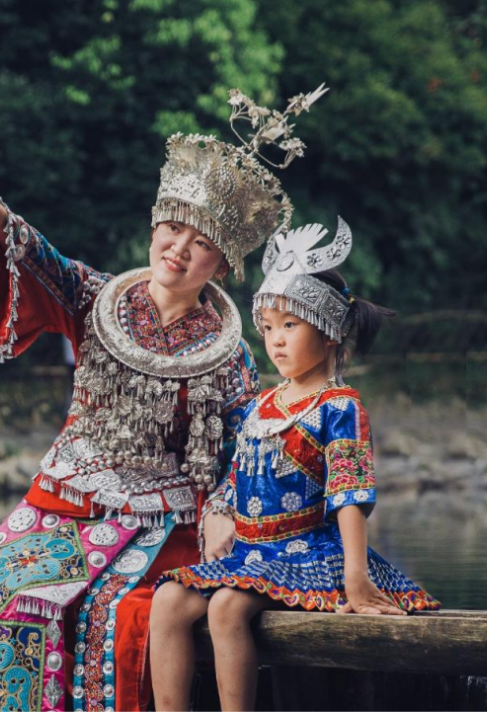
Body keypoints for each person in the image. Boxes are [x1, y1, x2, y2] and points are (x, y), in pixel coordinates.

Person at [0, 88, 325, 712]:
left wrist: (221, 508)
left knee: (118, 618)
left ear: (221, 265)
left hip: (161, 518)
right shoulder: (98, 299)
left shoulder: (230, 353)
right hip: (65, 501)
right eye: (171, 229)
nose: (179, 247)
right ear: (152, 228)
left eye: (200, 243)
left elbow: (242, 446)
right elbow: (42, 260)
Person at [149, 217, 441, 712]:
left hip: (314, 553)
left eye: (290, 325)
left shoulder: (339, 405)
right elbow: (238, 475)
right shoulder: (264, 403)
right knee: (167, 601)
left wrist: (356, 576)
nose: (276, 341)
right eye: (267, 328)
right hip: (253, 554)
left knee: (225, 607)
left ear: (329, 332)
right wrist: (220, 508)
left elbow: (349, 495)